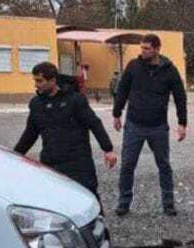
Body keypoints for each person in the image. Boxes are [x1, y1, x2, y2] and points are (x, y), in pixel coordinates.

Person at [13, 61, 117, 202]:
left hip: (79, 162)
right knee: (56, 202)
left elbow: (94, 123)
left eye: (40, 81)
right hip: (51, 162)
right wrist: (15, 155)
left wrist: (108, 149)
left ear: (53, 80)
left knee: (88, 198)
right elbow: (30, 133)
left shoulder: (75, 100)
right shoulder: (36, 104)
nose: (36, 85)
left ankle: (98, 224)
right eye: (35, 80)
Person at [112, 33, 187, 217]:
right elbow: (122, 90)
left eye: (147, 48)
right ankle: (124, 203)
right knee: (128, 165)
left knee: (164, 165)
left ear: (157, 49)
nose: (143, 52)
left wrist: (182, 122)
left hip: (158, 127)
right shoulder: (133, 66)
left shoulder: (169, 70)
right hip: (134, 125)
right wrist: (117, 113)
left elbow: (180, 97)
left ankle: (168, 203)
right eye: (142, 48)